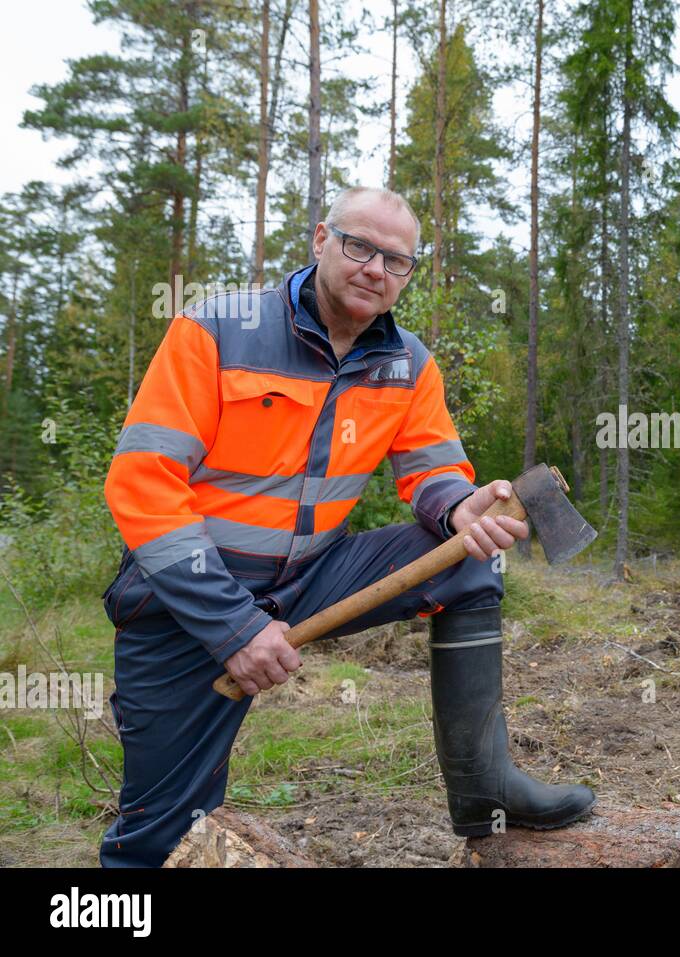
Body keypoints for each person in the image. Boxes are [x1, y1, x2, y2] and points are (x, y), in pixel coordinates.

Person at [99, 186, 595, 866]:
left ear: (408, 273)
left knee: (469, 555)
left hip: (309, 578)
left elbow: (434, 472)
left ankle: (485, 789)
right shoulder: (216, 329)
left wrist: (462, 507)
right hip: (186, 598)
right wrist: (233, 626)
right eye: (359, 246)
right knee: (163, 834)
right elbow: (142, 483)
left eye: (396, 260)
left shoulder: (409, 364)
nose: (374, 269)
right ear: (319, 239)